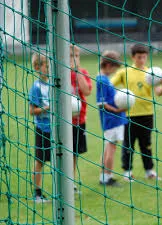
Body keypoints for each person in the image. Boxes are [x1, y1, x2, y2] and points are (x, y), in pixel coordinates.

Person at [111, 44, 162, 181]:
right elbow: (110, 86)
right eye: (139, 57)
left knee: (146, 144)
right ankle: (127, 172)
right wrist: (119, 99)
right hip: (129, 115)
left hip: (147, 114)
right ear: (133, 57)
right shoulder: (124, 72)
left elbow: (159, 93)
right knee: (128, 144)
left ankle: (149, 171)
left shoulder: (152, 73)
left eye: (144, 57)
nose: (142, 60)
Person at [96, 51, 127, 186]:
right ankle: (107, 177)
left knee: (109, 146)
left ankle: (104, 176)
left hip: (114, 119)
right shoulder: (102, 80)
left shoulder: (104, 79)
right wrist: (117, 110)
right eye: (115, 68)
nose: (115, 71)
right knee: (111, 147)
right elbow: (102, 103)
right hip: (112, 119)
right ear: (108, 65)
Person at [29, 53, 51, 203]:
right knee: (40, 161)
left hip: (55, 129)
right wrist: (48, 108)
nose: (49, 69)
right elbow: (32, 111)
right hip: (43, 129)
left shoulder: (53, 84)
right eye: (46, 66)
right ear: (37, 68)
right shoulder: (36, 87)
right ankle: (37, 193)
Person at [70, 44, 92, 192]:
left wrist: (77, 71)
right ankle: (60, 180)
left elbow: (86, 91)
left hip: (79, 120)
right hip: (63, 122)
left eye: (76, 56)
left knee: (74, 153)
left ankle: (70, 182)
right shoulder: (59, 72)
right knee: (61, 152)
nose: (74, 59)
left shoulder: (82, 72)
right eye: (71, 56)